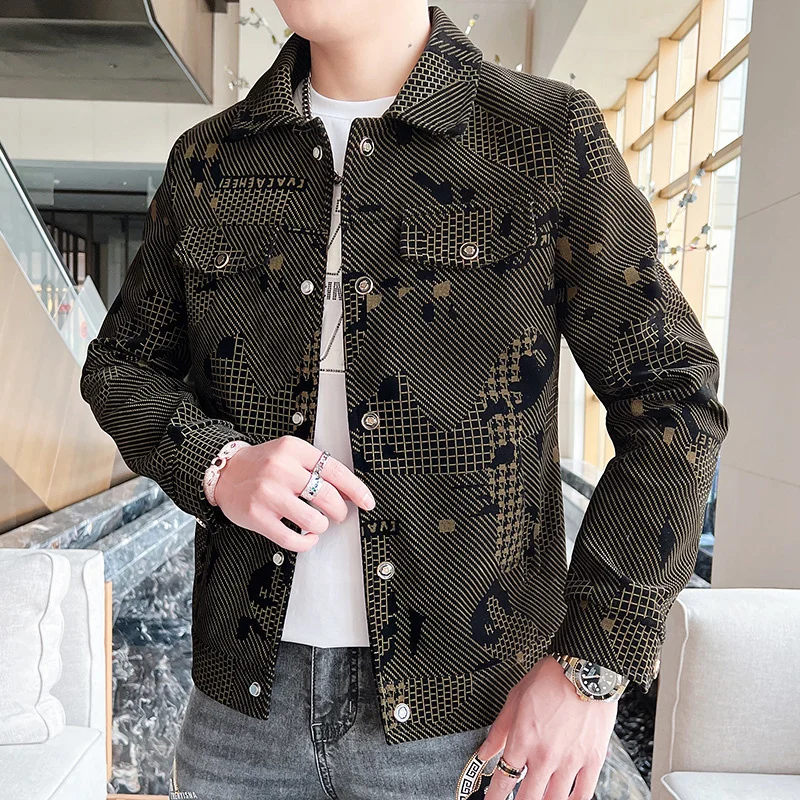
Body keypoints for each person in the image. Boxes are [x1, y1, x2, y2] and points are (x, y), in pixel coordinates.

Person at [79, 2, 730, 799]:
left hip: (473, 715)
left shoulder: (543, 137)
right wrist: (219, 463)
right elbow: (120, 366)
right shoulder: (209, 159)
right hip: (242, 715)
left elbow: (673, 400)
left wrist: (589, 667)